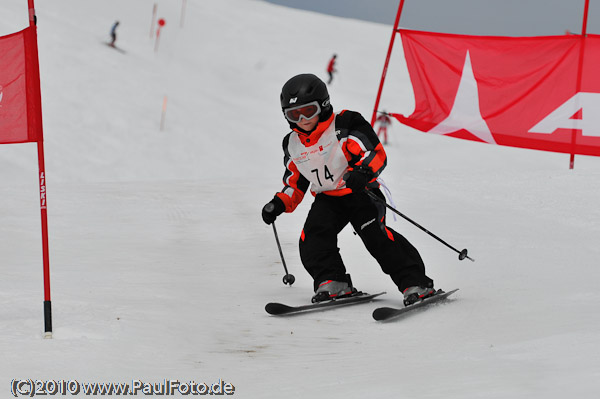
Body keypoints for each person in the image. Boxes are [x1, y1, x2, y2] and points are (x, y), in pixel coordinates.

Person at [261, 73, 435, 305]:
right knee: (312, 238)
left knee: (376, 237)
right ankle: (333, 282)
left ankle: (415, 283)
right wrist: (279, 203)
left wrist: (363, 173)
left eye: (308, 111)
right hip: (328, 198)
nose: (302, 119)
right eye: (294, 114)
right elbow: (295, 182)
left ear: (323, 106)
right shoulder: (293, 144)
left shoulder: (344, 124)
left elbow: (375, 154)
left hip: (360, 193)